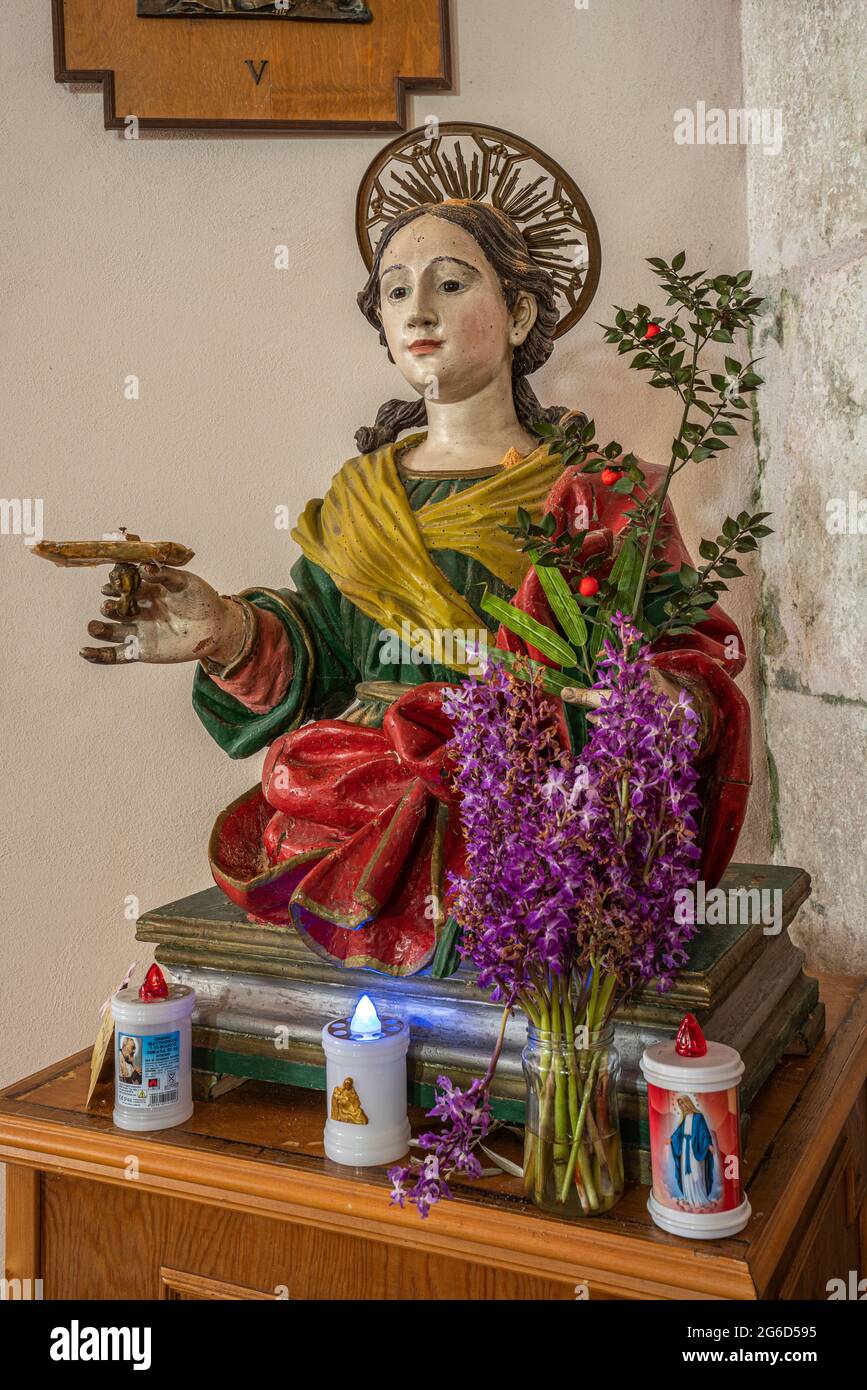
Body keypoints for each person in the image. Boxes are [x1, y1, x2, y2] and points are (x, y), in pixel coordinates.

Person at [80, 201, 751, 976]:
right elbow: (324, 653)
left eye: (452, 283)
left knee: (552, 877)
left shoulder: (603, 494)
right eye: (395, 291)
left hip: (525, 793)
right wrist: (228, 634)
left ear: (519, 310)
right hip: (358, 786)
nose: (418, 310)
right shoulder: (359, 499)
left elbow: (687, 654)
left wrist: (660, 698)